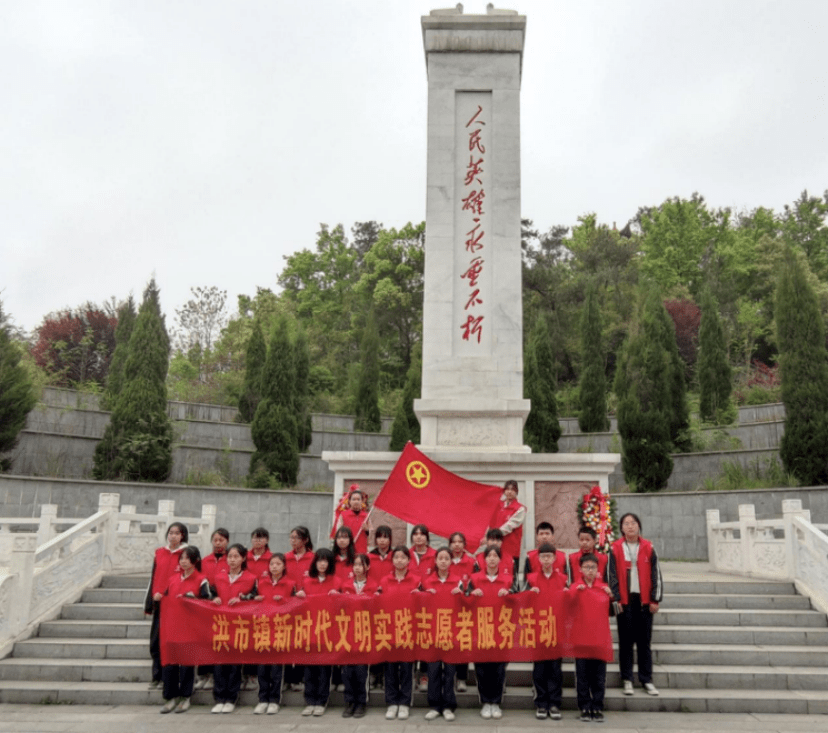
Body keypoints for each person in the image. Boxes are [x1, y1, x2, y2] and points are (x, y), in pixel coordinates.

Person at [607, 512, 663, 698]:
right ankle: (627, 679)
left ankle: (646, 679)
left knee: (644, 642)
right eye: (626, 523)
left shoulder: (648, 547)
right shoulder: (615, 548)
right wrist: (615, 600)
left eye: (633, 522)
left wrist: (655, 599)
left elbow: (656, 574)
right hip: (625, 601)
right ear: (621, 528)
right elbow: (611, 576)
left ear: (639, 525)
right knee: (625, 641)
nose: (630, 526)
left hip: (644, 601)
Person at [158, 546, 210, 714]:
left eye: (187, 558)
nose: (183, 561)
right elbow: (166, 599)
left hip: (190, 628)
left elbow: (207, 602)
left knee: (186, 664)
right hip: (172, 626)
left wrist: (193, 599)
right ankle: (170, 698)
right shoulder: (173, 579)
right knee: (169, 664)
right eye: (181, 558)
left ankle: (185, 697)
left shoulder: (201, 580)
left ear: (195, 560)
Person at [210, 543, 258, 714]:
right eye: (230, 556)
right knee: (219, 662)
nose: (232, 560)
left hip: (239, 626)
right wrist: (214, 599)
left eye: (236, 556)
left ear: (243, 558)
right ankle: (219, 698)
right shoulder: (218, 577)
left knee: (234, 664)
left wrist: (242, 599)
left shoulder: (251, 578)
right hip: (221, 624)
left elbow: (256, 598)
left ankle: (231, 698)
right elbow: (210, 594)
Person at [296, 548, 341, 716]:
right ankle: (310, 701)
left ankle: (321, 701)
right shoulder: (307, 581)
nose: (322, 564)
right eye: (319, 560)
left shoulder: (336, 581)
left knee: (324, 669)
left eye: (326, 561)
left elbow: (342, 605)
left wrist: (338, 596)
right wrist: (299, 596)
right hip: (309, 629)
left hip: (328, 630)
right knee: (310, 668)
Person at [377, 545, 420, 720]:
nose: (400, 560)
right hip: (389, 630)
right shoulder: (384, 581)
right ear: (392, 560)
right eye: (396, 557)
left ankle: (404, 703)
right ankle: (392, 702)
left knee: (407, 669)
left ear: (409, 560)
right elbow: (378, 602)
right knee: (390, 669)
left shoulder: (416, 580)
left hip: (408, 630)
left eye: (403, 557)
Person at [524, 543, 567, 720]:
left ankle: (554, 703)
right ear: (538, 559)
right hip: (538, 629)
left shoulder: (563, 579)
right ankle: (541, 703)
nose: (547, 559)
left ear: (555, 558)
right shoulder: (532, 578)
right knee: (540, 668)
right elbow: (522, 601)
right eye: (543, 557)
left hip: (556, 629)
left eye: (550, 556)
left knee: (555, 668)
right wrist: (529, 593)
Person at [469, 546, 511, 720]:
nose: (492, 558)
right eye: (489, 556)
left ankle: (496, 702)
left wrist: (509, 595)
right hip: (481, 628)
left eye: (495, 555)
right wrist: (472, 594)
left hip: (501, 629)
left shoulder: (508, 579)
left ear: (500, 559)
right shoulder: (474, 578)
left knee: (499, 669)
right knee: (482, 669)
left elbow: (519, 599)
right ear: (484, 559)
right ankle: (486, 701)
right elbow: (464, 600)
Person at [145, 522, 188, 691]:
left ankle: (169, 679)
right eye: (171, 532)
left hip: (177, 606)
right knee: (156, 641)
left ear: (183, 535)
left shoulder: (186, 554)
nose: (173, 536)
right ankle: (157, 676)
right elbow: (153, 577)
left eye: (177, 533)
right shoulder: (159, 553)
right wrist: (150, 601)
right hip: (159, 604)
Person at [421, 547, 463, 721]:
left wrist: (462, 595)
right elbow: (419, 605)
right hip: (432, 633)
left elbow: (466, 605)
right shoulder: (427, 582)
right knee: (433, 671)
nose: (444, 561)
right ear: (435, 561)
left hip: (451, 633)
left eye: (447, 558)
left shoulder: (458, 581)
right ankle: (434, 706)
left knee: (450, 672)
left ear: (451, 561)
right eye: (441, 558)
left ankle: (448, 706)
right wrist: (424, 595)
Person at [252, 553, 295, 715]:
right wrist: (255, 599)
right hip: (263, 628)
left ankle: (275, 700)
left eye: (278, 564)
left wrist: (285, 601)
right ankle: (262, 699)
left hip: (280, 629)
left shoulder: (290, 584)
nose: (274, 567)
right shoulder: (261, 583)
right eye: (272, 564)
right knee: (262, 667)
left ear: (284, 566)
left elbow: (296, 606)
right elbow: (251, 601)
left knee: (277, 668)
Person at [573, 553, 613, 722]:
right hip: (581, 639)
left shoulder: (604, 588)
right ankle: (584, 706)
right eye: (586, 567)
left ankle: (597, 706)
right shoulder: (575, 587)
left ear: (598, 570)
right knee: (582, 676)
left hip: (599, 639)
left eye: (593, 567)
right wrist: (574, 593)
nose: (590, 570)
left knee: (599, 677)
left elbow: (613, 611)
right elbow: (567, 607)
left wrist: (611, 597)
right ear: (580, 569)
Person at [340, 553, 376, 718]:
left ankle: (361, 702)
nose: (357, 568)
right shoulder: (345, 585)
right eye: (355, 564)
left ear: (367, 567)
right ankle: (349, 702)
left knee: (361, 671)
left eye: (361, 565)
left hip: (365, 632)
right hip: (347, 632)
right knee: (347, 671)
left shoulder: (374, 585)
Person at [195, 527, 229, 690]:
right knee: (204, 640)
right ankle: (204, 674)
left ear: (227, 541)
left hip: (223, 605)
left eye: (221, 540)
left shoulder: (231, 559)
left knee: (219, 641)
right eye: (215, 540)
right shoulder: (205, 561)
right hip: (207, 604)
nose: (218, 543)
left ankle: (215, 676)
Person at [284, 525, 314, 691]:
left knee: (303, 640)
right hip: (288, 604)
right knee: (288, 640)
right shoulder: (285, 558)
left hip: (306, 604)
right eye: (291, 537)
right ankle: (288, 678)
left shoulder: (313, 558)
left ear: (305, 540)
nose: (293, 540)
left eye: (296, 537)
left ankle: (300, 678)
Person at [447, 531, 477, 692]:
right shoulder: (444, 559)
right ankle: (449, 677)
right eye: (454, 542)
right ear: (450, 544)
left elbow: (476, 582)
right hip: (447, 608)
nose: (457, 545)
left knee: (463, 643)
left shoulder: (472, 562)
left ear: (464, 544)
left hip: (465, 608)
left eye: (460, 542)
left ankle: (461, 678)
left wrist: (467, 594)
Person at [489, 479, 526, 577]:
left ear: (516, 492)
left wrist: (495, 535)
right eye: (507, 489)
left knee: (511, 576)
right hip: (495, 547)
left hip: (511, 548)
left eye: (512, 489)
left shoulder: (520, 508)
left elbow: (510, 525)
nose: (509, 492)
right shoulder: (498, 505)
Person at [334, 486, 372, 554]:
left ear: (362, 501)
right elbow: (338, 533)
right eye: (354, 499)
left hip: (362, 550)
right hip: (347, 550)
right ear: (349, 501)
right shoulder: (343, 515)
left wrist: (367, 530)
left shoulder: (366, 516)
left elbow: (371, 534)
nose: (356, 501)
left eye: (358, 499)